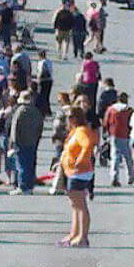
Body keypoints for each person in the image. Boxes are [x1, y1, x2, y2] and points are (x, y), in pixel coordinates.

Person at [58, 105, 95, 248]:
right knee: (74, 205)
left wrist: (80, 160)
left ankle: (83, 237)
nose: (67, 120)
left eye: (69, 117)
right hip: (72, 171)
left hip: (80, 172)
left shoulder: (82, 131)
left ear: (75, 118)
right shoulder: (74, 131)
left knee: (80, 205)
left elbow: (88, 145)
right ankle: (74, 233)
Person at [9, 91, 43, 194]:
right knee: (30, 164)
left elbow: (14, 128)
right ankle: (30, 186)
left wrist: (13, 142)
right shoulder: (36, 111)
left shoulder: (20, 111)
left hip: (21, 141)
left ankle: (22, 186)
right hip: (32, 141)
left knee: (21, 164)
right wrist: (37, 138)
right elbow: (40, 127)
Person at [103, 94, 134, 186]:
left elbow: (105, 122)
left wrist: (106, 133)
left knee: (115, 156)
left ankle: (114, 177)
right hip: (126, 135)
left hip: (114, 134)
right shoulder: (129, 110)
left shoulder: (111, 109)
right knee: (128, 157)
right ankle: (130, 176)